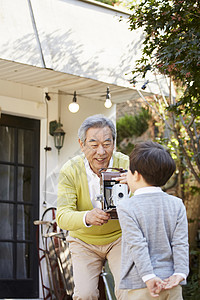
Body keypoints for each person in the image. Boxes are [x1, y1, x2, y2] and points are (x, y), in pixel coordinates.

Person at [56, 114, 129, 300]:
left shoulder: (127, 165)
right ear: (82, 144)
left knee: (127, 290)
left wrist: (134, 186)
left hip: (120, 237)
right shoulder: (70, 170)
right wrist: (86, 217)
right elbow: (62, 216)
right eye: (94, 145)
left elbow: (146, 200)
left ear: (114, 142)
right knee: (86, 294)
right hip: (83, 241)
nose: (101, 152)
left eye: (107, 144)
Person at [117, 141, 189, 300]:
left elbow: (137, 244)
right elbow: (180, 243)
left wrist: (149, 277)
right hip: (172, 283)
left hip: (142, 286)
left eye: (128, 170)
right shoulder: (177, 204)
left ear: (136, 175)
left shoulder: (126, 206)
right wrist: (180, 273)